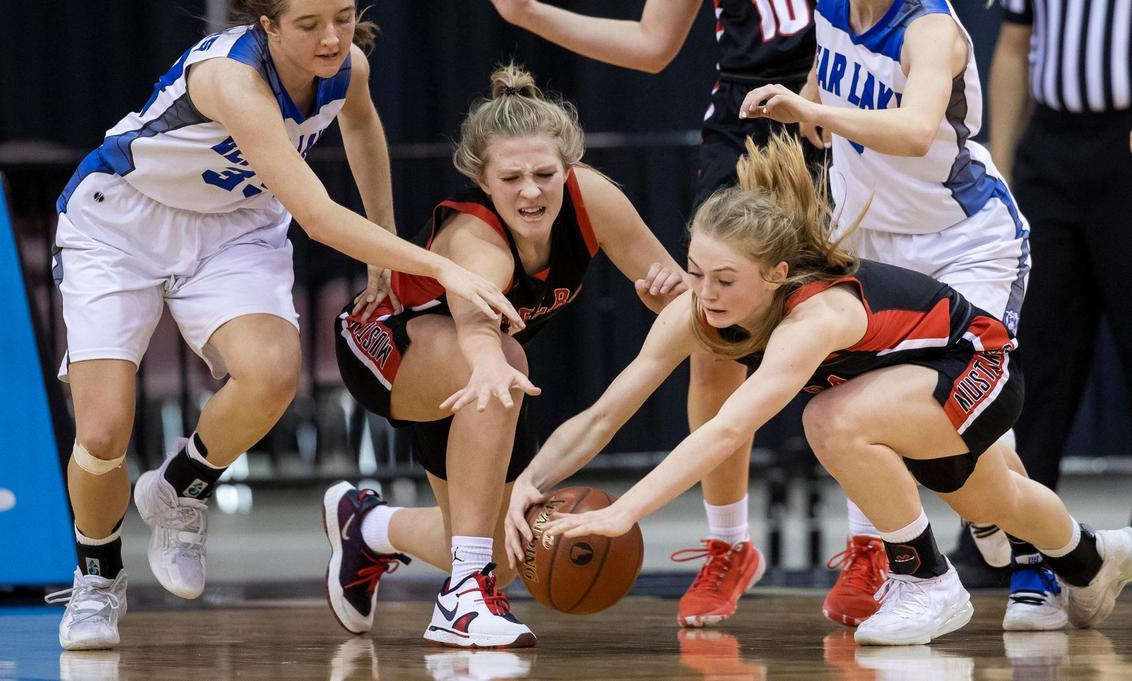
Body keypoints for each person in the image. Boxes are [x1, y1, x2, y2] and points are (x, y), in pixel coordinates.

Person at [507, 134, 1132, 647]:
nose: (707, 294)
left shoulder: (816, 316)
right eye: (697, 273)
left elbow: (726, 428)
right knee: (995, 500)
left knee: (830, 419)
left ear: (777, 276)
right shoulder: (699, 310)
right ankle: (1092, 558)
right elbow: (604, 414)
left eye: (726, 280)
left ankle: (927, 582)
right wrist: (531, 482)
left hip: (978, 364)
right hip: (902, 385)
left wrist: (624, 510)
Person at [41, 0, 528, 651]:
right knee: (102, 431)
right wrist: (444, 269)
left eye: (343, 17)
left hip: (233, 229)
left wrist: (380, 241)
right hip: (123, 223)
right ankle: (98, 576)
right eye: (308, 24)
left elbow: (362, 128)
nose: (331, 38)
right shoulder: (230, 77)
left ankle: (182, 486)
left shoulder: (347, 67)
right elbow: (319, 214)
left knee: (272, 372)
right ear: (266, 25)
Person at [488, 0, 849, 629]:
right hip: (746, 121)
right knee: (714, 345)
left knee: (852, 348)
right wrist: (525, 14)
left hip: (844, 105)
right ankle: (728, 545)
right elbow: (653, 43)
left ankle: (881, 545)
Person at [320, 64, 687, 649]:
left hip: (472, 377)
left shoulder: (593, 200)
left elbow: (680, 298)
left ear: (570, 169)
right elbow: (475, 327)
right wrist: (489, 360)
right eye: (511, 177)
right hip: (386, 348)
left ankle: (368, 526)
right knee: (506, 363)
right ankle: (462, 596)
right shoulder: (475, 236)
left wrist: (661, 294)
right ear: (482, 180)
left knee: (510, 553)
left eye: (545, 173)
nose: (532, 190)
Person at [737, 0, 1055, 626]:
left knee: (970, 409)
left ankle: (1030, 557)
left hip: (964, 241)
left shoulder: (929, 29)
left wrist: (812, 111)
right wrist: (811, 97)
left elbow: (913, 133)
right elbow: (829, 77)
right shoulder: (830, 10)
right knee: (868, 405)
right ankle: (897, 560)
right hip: (872, 236)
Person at [990, 2, 1132, 525]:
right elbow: (1013, 45)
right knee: (1037, 346)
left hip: (1125, 143)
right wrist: (1000, 168)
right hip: (1049, 148)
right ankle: (1018, 532)